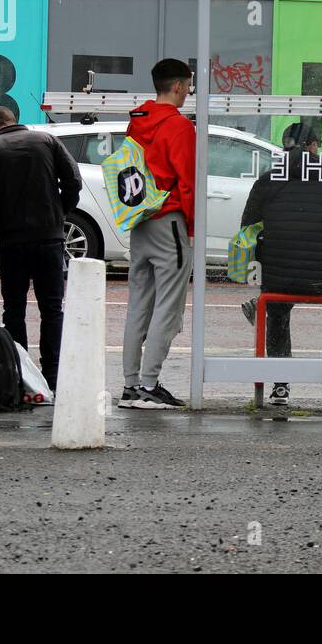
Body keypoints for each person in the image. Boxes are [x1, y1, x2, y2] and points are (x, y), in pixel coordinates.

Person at [239, 122, 322, 406]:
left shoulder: (268, 179)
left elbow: (249, 227)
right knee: (283, 293)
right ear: (311, 146)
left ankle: (280, 386)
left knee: (276, 307)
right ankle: (263, 300)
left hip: (279, 276)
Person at [0, 105, 82, 392]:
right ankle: (53, 376)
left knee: (14, 310)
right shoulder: (46, 140)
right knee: (52, 309)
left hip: (11, 242)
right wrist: (59, 214)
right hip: (49, 238)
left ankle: (22, 375)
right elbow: (73, 181)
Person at [118, 59, 198, 411]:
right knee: (169, 306)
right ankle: (150, 384)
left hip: (140, 219)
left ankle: (131, 384)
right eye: (188, 85)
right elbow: (188, 181)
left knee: (138, 304)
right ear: (179, 86)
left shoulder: (137, 121)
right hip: (169, 220)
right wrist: (191, 228)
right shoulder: (180, 127)